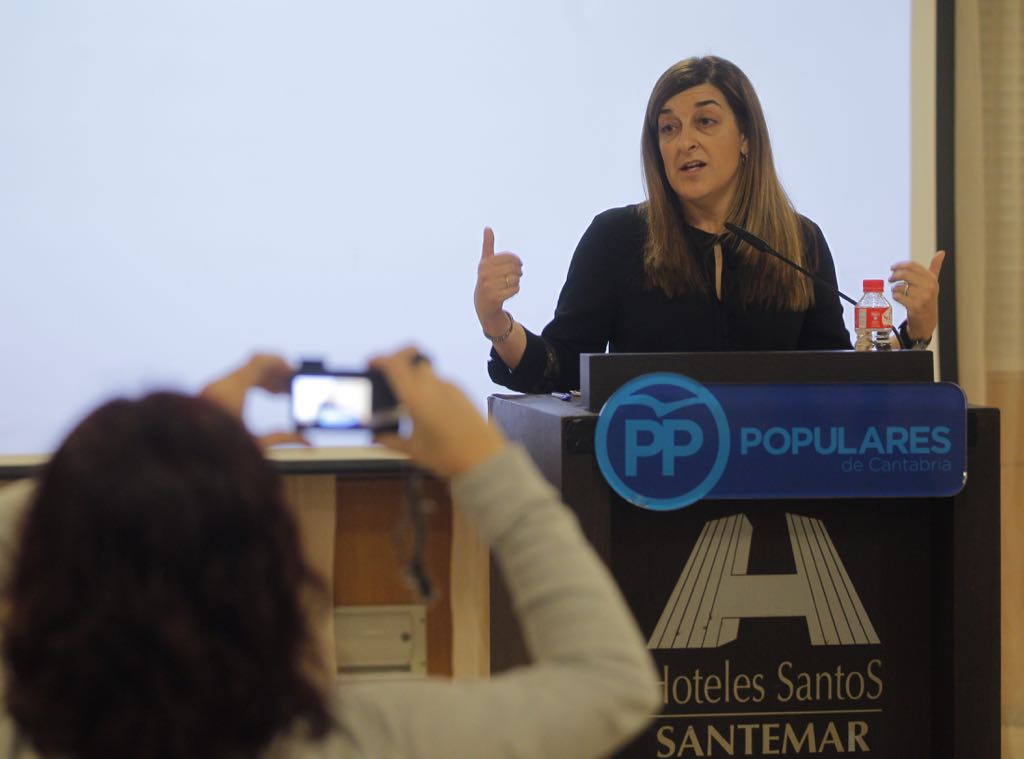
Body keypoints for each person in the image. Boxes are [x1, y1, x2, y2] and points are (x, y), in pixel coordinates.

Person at [0, 351, 658, 759]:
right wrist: (486, 462)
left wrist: (160, 459)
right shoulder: (365, 740)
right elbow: (613, 685)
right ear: (275, 574)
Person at [474, 55, 945, 393]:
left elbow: (835, 377)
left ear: (745, 138)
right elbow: (561, 368)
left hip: (778, 478)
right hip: (648, 477)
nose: (685, 143)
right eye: (669, 128)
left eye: (705, 122)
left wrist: (914, 333)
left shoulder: (800, 242)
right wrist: (497, 322)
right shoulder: (618, 238)